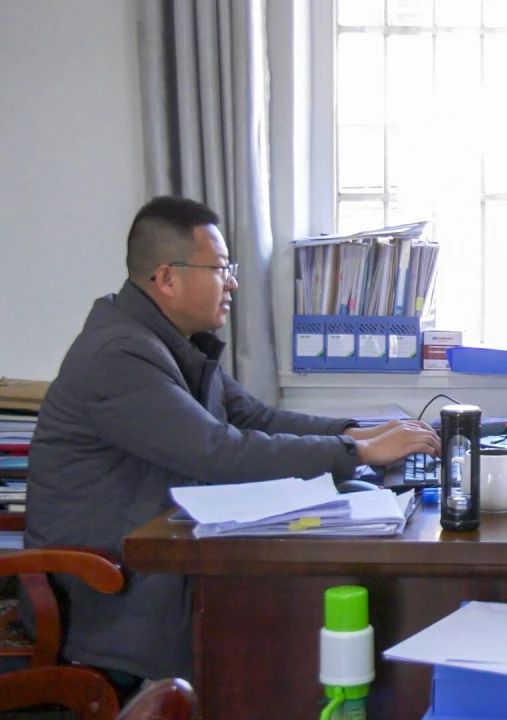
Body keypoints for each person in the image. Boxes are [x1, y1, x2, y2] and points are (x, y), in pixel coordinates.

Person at [23, 196, 440, 690]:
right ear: (167, 278)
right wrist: (361, 454)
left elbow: (256, 418)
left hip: (162, 557)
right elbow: (218, 451)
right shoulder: (119, 354)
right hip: (110, 592)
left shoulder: (165, 341)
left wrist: (358, 433)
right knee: (290, 620)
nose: (232, 283)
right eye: (221, 269)